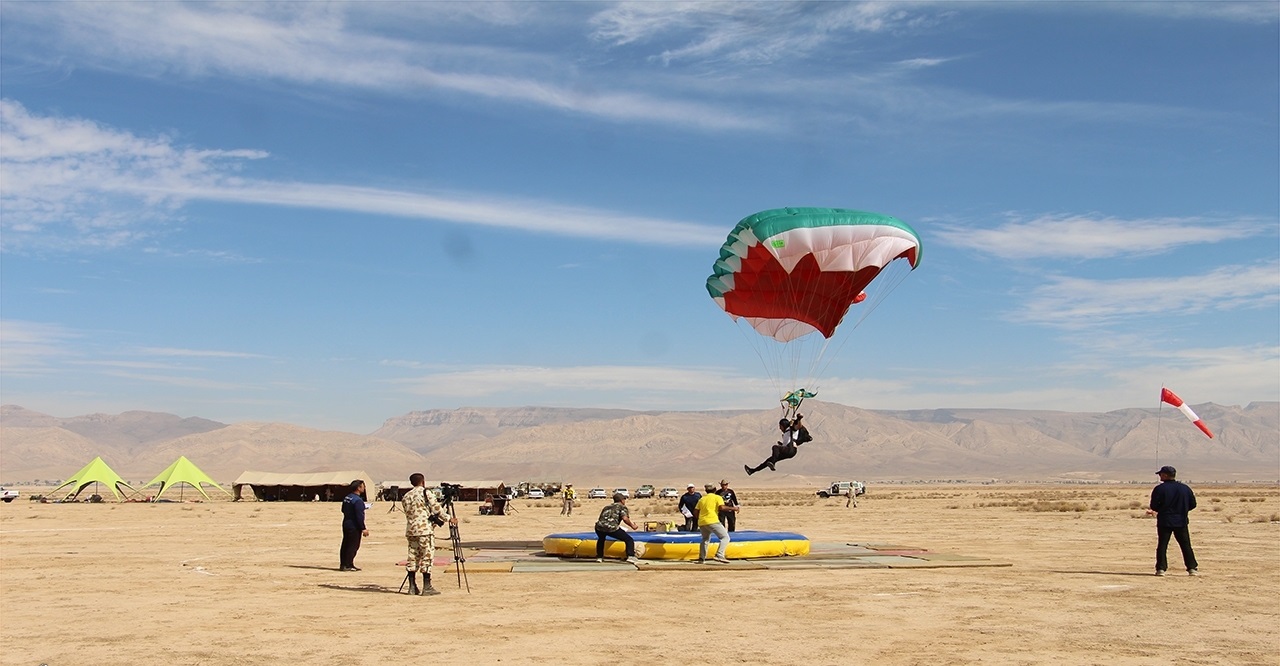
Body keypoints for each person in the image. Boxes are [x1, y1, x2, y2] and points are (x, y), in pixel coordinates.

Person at [402, 473, 456, 595]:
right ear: (423, 481)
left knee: (412, 556)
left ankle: (412, 586)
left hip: (411, 530)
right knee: (427, 556)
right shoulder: (426, 493)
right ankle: (427, 586)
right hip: (424, 530)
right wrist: (449, 518)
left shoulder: (406, 496)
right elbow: (437, 509)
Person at [1145, 465, 1199, 576]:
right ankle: (1191, 568)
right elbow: (1193, 504)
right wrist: (1182, 510)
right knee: (1185, 545)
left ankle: (1161, 569)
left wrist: (1162, 510)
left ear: (1165, 475)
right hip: (1181, 521)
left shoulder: (1159, 489)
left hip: (1165, 521)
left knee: (1162, 545)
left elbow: (1154, 506)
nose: (1160, 476)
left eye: (1160, 474)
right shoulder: (1185, 488)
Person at [745, 414, 811, 475]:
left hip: (790, 450)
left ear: (784, 425)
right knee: (768, 460)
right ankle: (752, 471)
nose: (780, 428)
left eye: (780, 426)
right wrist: (782, 444)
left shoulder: (791, 429)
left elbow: (798, 426)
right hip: (789, 451)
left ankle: (773, 463)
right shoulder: (786, 433)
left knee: (775, 447)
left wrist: (799, 418)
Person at [696, 483, 737, 564]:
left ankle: (701, 558)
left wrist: (701, 518)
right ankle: (719, 554)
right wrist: (733, 508)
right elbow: (721, 507)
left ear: (706, 490)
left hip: (702, 522)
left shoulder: (702, 499)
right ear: (715, 490)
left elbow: (695, 511)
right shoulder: (717, 497)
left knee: (705, 539)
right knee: (725, 537)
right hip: (713, 521)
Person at [594, 492, 640, 563]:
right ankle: (631, 556)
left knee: (601, 539)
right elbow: (625, 518)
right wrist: (632, 526)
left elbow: (602, 517)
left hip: (599, 527)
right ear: (622, 500)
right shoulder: (622, 507)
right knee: (629, 540)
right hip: (612, 527)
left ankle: (599, 557)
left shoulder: (606, 507)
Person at [339, 479, 368, 571]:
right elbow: (359, 516)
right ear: (359, 488)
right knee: (353, 545)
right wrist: (363, 528)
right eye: (363, 486)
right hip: (354, 525)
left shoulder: (347, 497)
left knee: (345, 544)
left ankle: (344, 564)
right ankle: (348, 564)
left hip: (346, 523)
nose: (364, 488)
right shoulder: (358, 500)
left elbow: (343, 510)